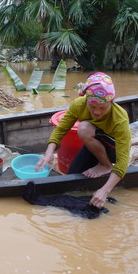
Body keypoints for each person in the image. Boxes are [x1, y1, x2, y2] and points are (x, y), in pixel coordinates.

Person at [35, 72, 131, 209]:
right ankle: (100, 162)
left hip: (112, 149)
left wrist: (105, 190)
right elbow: (61, 129)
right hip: (93, 144)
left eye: (103, 108)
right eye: (92, 107)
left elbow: (122, 163)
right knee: (71, 180)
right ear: (86, 100)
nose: (97, 112)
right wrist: (49, 152)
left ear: (111, 102)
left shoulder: (120, 118)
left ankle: (105, 165)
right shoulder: (79, 104)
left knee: (84, 127)